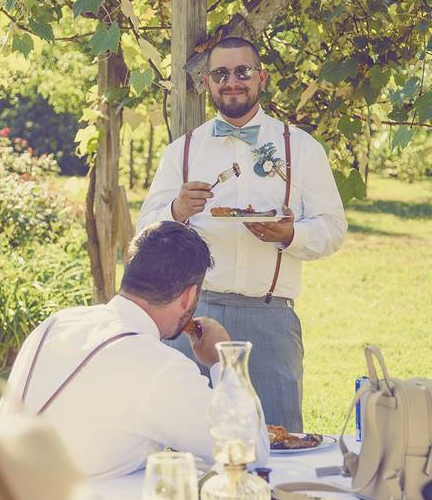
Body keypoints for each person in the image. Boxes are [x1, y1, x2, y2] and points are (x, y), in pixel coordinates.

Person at [137, 36, 347, 433]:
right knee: (186, 436)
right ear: (207, 84)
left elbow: (333, 229)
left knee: (278, 441)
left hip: (270, 319)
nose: (231, 81)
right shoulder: (182, 152)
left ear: (261, 77)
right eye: (220, 74)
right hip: (192, 317)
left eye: (242, 72)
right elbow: (144, 231)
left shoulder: (301, 149)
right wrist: (176, 211)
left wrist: (290, 235)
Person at [0, 221, 269, 480]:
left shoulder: (57, 322)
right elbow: (247, 451)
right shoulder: (159, 366)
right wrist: (226, 360)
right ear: (188, 296)